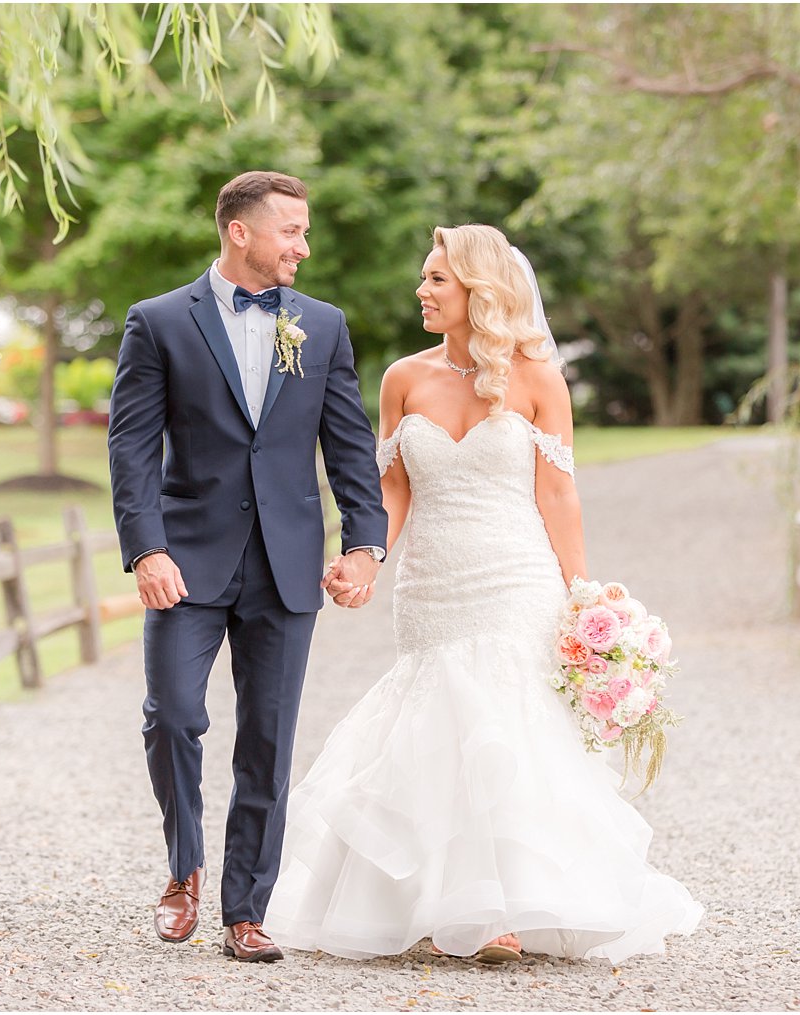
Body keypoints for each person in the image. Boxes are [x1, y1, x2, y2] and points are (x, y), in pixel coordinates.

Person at [263, 224, 704, 964]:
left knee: (506, 727)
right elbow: (392, 487)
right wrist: (365, 559)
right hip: (434, 581)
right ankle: (443, 904)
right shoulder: (403, 378)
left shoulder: (536, 378)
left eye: (437, 279)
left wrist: (583, 592)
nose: (422, 290)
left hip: (515, 575)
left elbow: (559, 493)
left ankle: (502, 907)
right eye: (425, 277)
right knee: (438, 733)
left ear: (480, 289)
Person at [107, 170, 388, 963]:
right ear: (241, 232)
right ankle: (183, 870)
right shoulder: (158, 321)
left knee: (268, 738)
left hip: (286, 563)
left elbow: (349, 444)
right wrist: (146, 547)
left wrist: (363, 542)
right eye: (291, 230)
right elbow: (130, 446)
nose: (303, 245)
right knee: (173, 716)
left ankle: (246, 910)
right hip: (185, 561)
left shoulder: (323, 326)